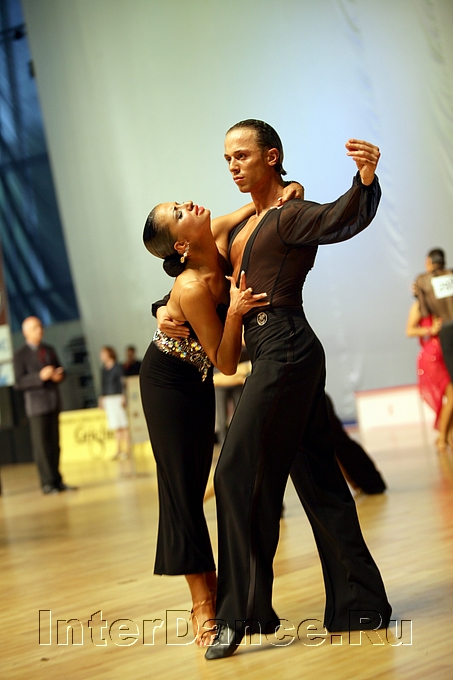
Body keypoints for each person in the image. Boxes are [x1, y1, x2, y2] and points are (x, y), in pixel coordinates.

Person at [199, 120, 392, 660]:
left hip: (287, 349)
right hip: (274, 353)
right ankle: (360, 604)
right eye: (227, 158)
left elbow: (339, 218)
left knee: (234, 472)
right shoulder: (251, 220)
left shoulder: (291, 214)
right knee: (319, 480)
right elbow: (198, 248)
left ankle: (241, 614)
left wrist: (365, 180)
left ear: (271, 156)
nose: (233, 165)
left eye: (242, 155)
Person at [140, 195, 307, 646]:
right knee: (180, 490)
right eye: (179, 213)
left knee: (195, 484)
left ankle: (212, 588)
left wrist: (288, 191)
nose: (189, 205)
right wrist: (234, 311)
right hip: (167, 381)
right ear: (179, 246)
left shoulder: (214, 234)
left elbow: (256, 207)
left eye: (180, 202)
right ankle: (203, 600)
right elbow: (227, 362)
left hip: (195, 380)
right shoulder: (192, 287)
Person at [13, 316, 77, 494]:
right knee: (42, 446)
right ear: (25, 332)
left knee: (55, 444)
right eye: (34, 328)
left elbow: (60, 369)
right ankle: (47, 483)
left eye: (40, 326)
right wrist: (39, 377)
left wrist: (58, 375)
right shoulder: (20, 355)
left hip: (53, 402)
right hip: (36, 406)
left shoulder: (49, 349)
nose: (39, 330)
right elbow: (19, 382)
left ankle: (57, 480)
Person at [406, 299, 453, 453]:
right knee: (452, 396)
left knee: (450, 399)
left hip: (447, 354)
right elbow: (409, 330)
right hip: (432, 357)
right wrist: (430, 330)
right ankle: (443, 437)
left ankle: (446, 436)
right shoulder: (420, 305)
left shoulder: (445, 302)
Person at [414, 249, 453, 383]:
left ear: (429, 262)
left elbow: (424, 311)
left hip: (445, 329)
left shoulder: (423, 280)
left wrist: (418, 295)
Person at [99, 346, 130, 460]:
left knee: (123, 425)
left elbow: (122, 382)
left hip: (117, 397)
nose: (101, 356)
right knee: (116, 426)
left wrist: (123, 395)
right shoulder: (103, 369)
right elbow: (103, 385)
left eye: (103, 353)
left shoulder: (117, 367)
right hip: (108, 398)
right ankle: (118, 450)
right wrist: (102, 398)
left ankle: (127, 450)